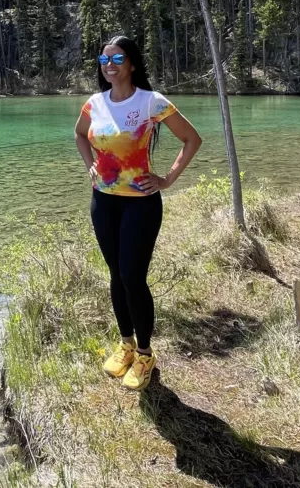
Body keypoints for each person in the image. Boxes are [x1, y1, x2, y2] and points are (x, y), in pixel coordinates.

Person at [73, 35, 202, 391]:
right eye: (104, 59)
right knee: (115, 274)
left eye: (117, 58)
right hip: (104, 201)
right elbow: (80, 135)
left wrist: (168, 179)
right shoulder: (94, 103)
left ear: (132, 64)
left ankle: (145, 353)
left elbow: (192, 139)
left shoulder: (150, 102)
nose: (109, 65)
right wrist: (91, 168)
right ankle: (126, 343)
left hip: (140, 203)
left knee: (133, 276)